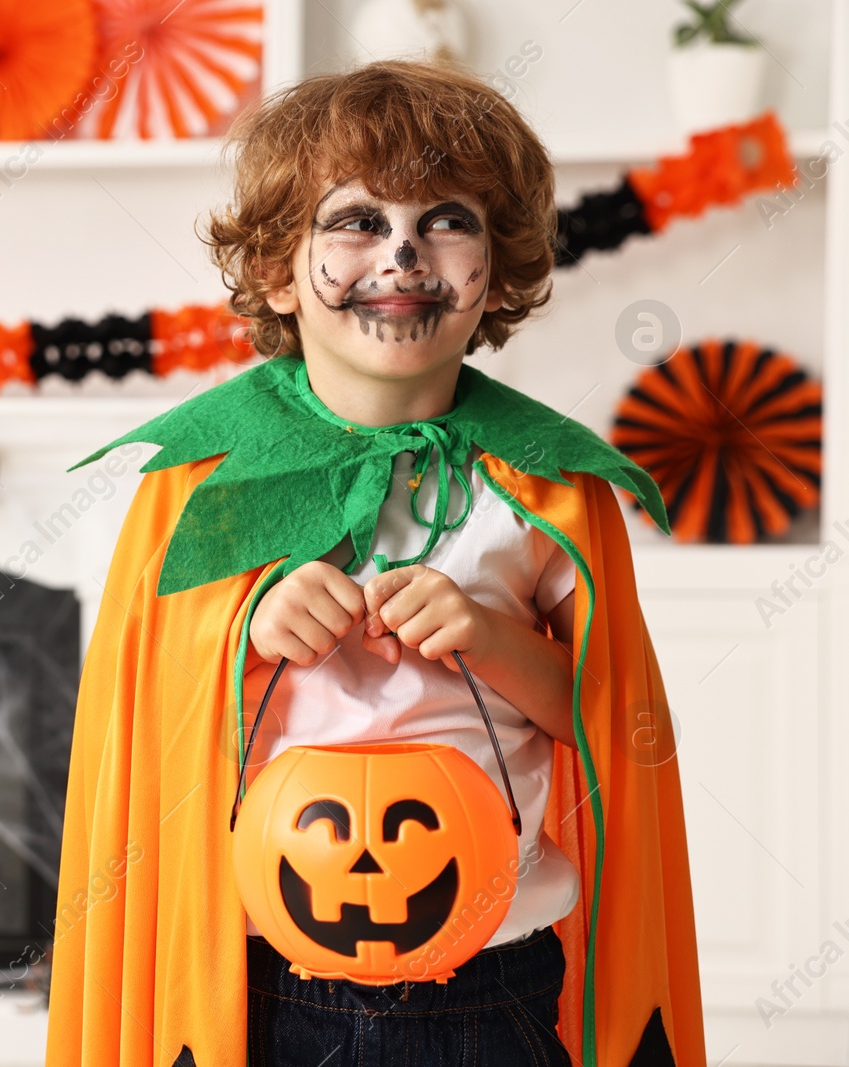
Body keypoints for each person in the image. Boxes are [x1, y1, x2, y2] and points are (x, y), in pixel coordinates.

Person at [45, 60, 704, 1067]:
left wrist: (488, 639)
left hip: (496, 980)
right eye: (353, 221)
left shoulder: (542, 489)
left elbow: (604, 717)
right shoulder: (200, 485)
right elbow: (149, 735)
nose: (401, 254)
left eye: (447, 219)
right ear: (276, 267)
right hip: (260, 980)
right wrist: (246, 634)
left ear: (497, 269)